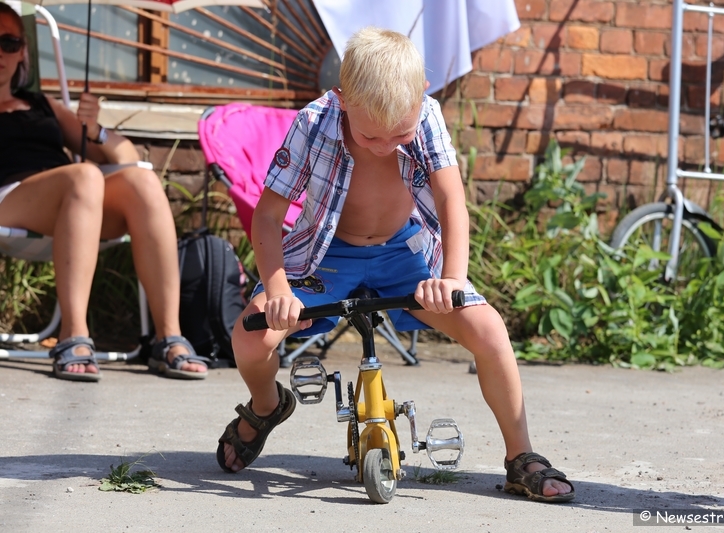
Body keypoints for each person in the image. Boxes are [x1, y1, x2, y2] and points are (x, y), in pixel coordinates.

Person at [216, 26, 575, 503]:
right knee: (250, 335)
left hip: (404, 255)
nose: (385, 145)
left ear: (421, 96)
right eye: (370, 135)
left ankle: (521, 455)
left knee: (489, 331)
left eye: (399, 134)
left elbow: (452, 203)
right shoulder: (314, 122)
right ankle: (267, 404)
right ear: (342, 99)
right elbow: (268, 213)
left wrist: (452, 278)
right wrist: (278, 287)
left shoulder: (426, 115)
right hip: (328, 255)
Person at [0, 3, 208, 382]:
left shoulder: (42, 105)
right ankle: (73, 334)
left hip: (72, 201)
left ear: (23, 53)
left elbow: (125, 157)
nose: (0, 51)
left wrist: (93, 129)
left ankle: (167, 336)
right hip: (9, 198)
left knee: (141, 180)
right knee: (84, 176)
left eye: (9, 42)